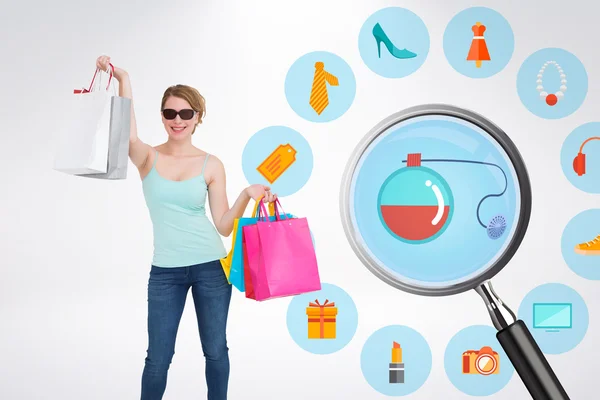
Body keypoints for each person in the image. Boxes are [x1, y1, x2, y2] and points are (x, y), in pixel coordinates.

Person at [95, 55, 277, 400]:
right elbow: (127, 133)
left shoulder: (211, 164)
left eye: (185, 114)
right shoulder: (147, 156)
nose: (177, 121)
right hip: (165, 270)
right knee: (158, 359)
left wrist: (246, 195)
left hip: (211, 266)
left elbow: (224, 226)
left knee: (215, 351)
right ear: (162, 117)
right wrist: (123, 79)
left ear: (197, 118)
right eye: (170, 113)